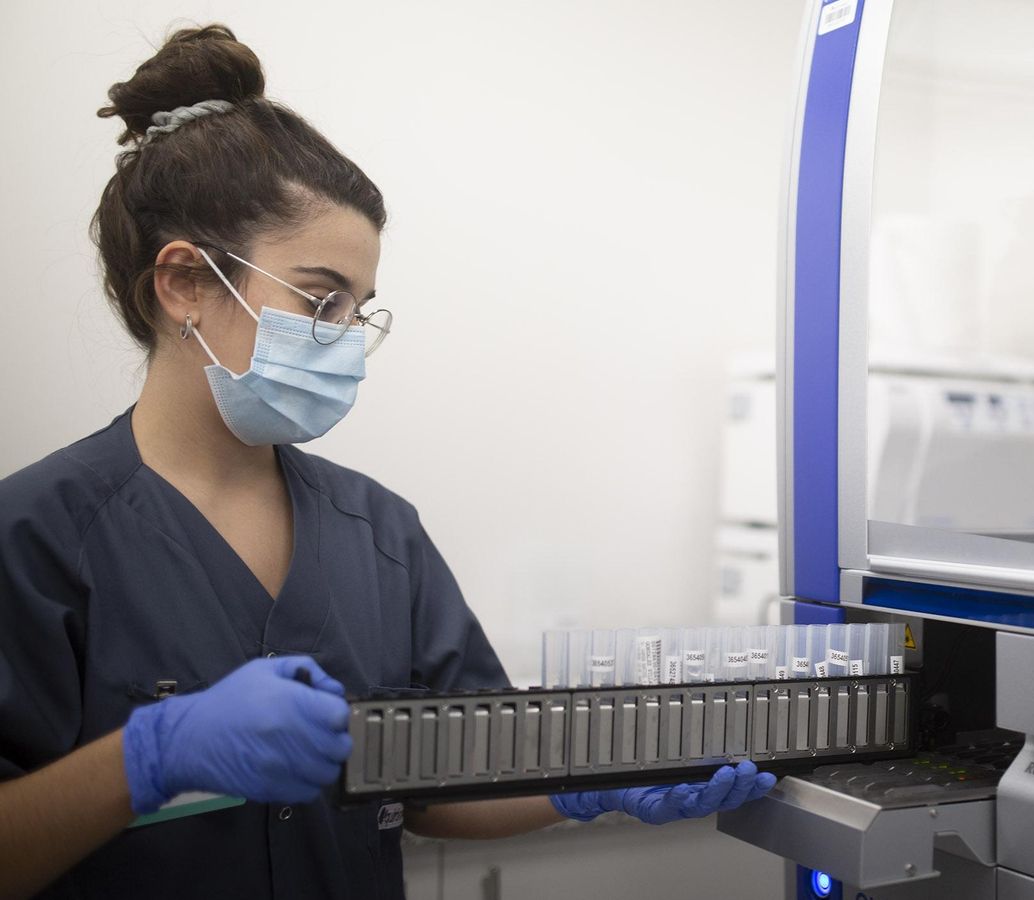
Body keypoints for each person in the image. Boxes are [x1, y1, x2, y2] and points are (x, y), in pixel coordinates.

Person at [0, 25, 774, 900]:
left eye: (358, 311)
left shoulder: (380, 536)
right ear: (183, 282)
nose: (346, 343)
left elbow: (441, 789)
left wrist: (581, 784)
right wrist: (148, 758)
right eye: (319, 299)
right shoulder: (35, 537)